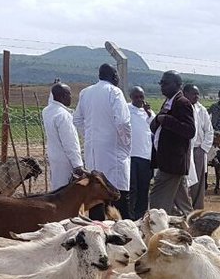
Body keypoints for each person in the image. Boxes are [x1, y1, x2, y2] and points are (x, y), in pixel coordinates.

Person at [73, 64, 132, 219]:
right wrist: (125, 143)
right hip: (113, 151)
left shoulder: (85, 93)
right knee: (117, 196)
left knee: (96, 195)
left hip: (92, 151)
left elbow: (77, 119)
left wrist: (90, 136)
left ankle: (97, 228)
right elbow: (123, 122)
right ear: (114, 76)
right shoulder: (114, 92)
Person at [149, 71, 195, 215]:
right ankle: (193, 223)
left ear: (177, 85)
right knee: (182, 203)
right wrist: (158, 119)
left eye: (166, 83)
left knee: (157, 200)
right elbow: (155, 126)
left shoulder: (182, 103)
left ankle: (157, 226)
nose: (162, 86)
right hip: (169, 161)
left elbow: (190, 130)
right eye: (161, 83)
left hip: (172, 162)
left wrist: (166, 120)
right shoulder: (169, 102)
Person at [41, 82, 82, 190]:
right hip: (65, 159)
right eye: (69, 94)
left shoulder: (47, 111)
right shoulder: (63, 115)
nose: (71, 97)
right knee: (66, 190)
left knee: (57, 187)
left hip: (54, 155)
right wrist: (77, 165)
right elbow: (70, 143)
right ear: (63, 96)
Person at [127, 86, 154, 219]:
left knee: (144, 187)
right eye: (136, 97)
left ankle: (141, 215)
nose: (139, 99)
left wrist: (149, 114)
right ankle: (130, 215)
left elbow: (154, 128)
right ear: (131, 97)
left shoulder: (149, 112)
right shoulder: (126, 109)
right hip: (130, 155)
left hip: (145, 155)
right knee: (132, 188)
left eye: (141, 97)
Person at [186, 84, 213, 210]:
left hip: (198, 149)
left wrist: (203, 149)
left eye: (198, 94)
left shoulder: (201, 110)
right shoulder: (181, 107)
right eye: (193, 94)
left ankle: (197, 208)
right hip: (184, 149)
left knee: (198, 180)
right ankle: (183, 208)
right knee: (183, 179)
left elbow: (209, 130)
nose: (196, 96)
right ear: (185, 94)